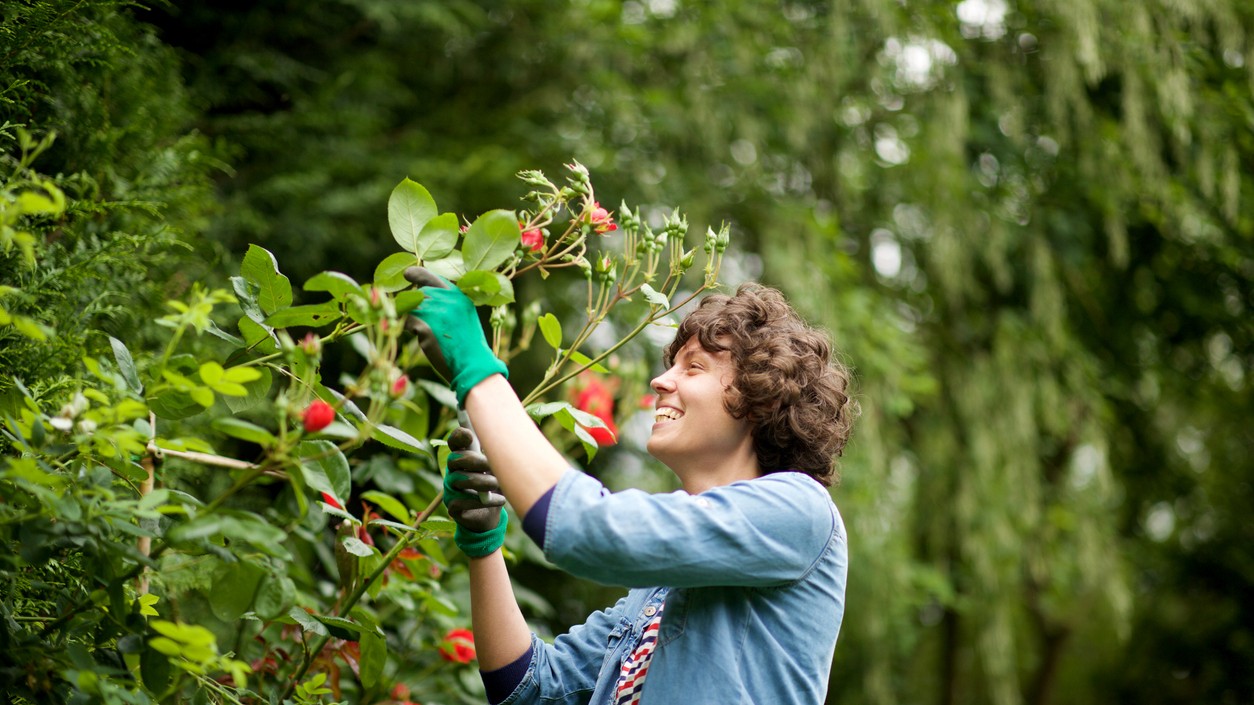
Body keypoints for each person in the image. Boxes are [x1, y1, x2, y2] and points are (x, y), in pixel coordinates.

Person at [409, 267, 857, 705]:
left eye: (694, 367)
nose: (660, 381)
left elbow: (587, 529)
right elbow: (528, 689)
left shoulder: (801, 511)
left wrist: (477, 369)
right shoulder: (655, 593)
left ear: (760, 398)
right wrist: (484, 544)